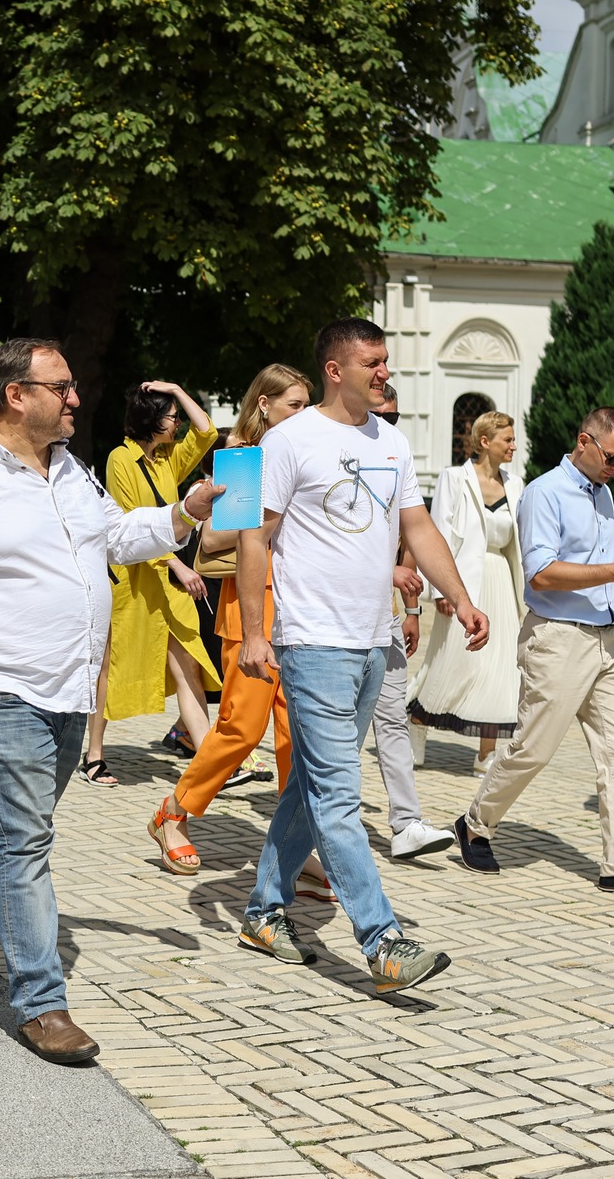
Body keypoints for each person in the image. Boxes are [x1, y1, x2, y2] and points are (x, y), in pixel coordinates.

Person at [0, 338, 222, 1064]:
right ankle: (41, 1003)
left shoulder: (69, 471)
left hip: (68, 686)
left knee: (9, 823)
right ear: (17, 395)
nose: (75, 397)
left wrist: (183, 512)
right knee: (24, 840)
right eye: (62, 386)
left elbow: (115, 537)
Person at [232, 321, 477, 993]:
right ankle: (383, 941)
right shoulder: (286, 441)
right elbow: (253, 539)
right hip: (312, 642)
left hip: (372, 641)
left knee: (310, 790)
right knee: (339, 796)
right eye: (372, 363)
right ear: (335, 369)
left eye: (386, 362)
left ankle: (261, 911)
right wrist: (255, 631)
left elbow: (416, 527)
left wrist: (458, 596)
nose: (384, 373)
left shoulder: (390, 440)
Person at [452, 407, 614, 898]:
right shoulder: (543, 493)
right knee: (532, 749)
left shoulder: (603, 494)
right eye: (613, 459)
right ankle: (475, 823)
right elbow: (542, 574)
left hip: (610, 637)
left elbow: (602, 564)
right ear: (585, 441)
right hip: (558, 639)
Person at [146, 364, 308, 877]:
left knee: (295, 735)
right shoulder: (243, 457)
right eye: (294, 406)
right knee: (242, 727)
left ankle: (293, 847)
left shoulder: (309, 452)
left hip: (303, 608)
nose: (304, 416)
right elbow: (214, 540)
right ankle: (174, 812)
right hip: (252, 606)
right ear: (264, 404)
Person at [91, 381, 220, 779]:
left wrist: (179, 390)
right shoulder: (120, 459)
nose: (178, 422)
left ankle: (209, 760)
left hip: (167, 581)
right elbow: (127, 524)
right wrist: (177, 564)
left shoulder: (167, 459)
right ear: (150, 418)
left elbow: (208, 432)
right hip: (134, 581)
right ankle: (94, 753)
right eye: (171, 415)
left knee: (189, 665)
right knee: (113, 665)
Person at [359, 384, 455, 861]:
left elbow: (410, 539)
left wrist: (412, 609)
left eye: (396, 418)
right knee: (342, 734)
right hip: (334, 623)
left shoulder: (396, 457)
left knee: (392, 720)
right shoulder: (333, 454)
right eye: (383, 415)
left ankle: (406, 823)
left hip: (388, 618)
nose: (389, 425)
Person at [411, 411, 525, 774]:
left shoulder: (517, 484)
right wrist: (442, 588)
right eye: (507, 439)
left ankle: (485, 753)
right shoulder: (453, 478)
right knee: (448, 661)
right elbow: (438, 531)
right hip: (462, 584)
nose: (514, 445)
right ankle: (416, 724)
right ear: (485, 442)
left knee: (499, 666)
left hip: (502, 582)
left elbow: (517, 542)